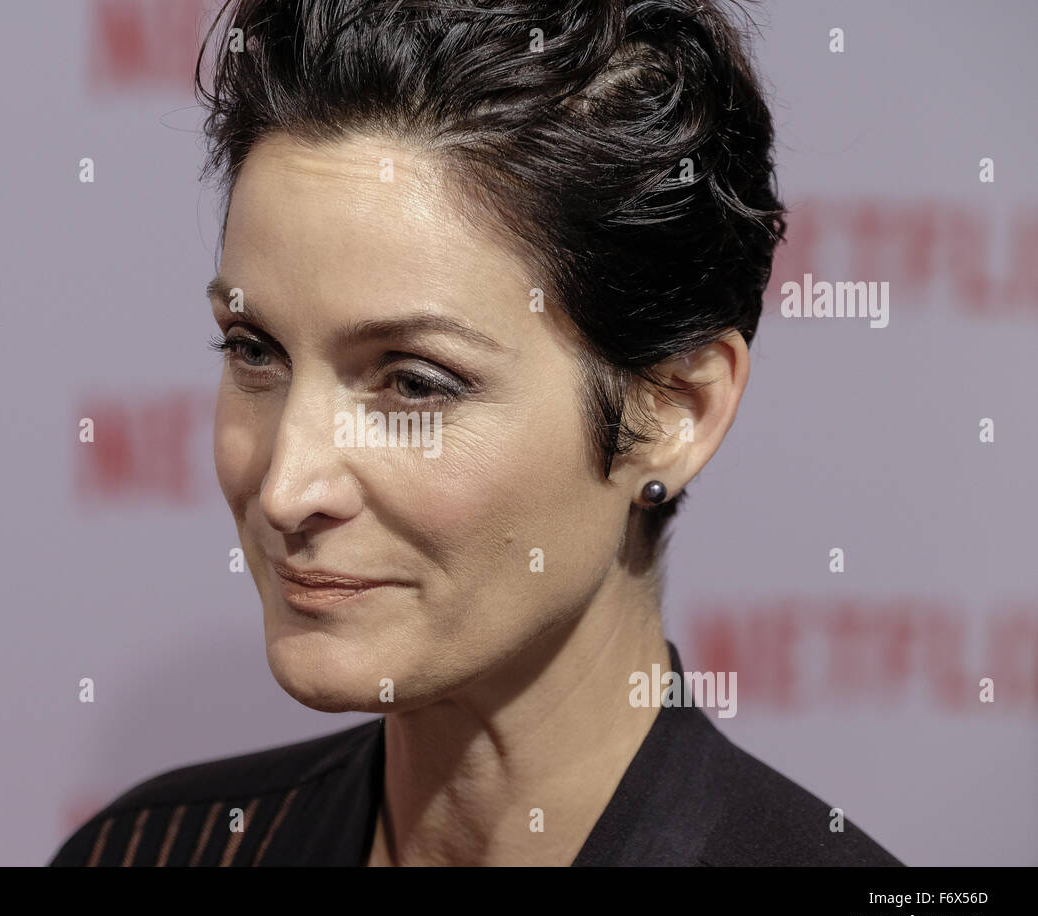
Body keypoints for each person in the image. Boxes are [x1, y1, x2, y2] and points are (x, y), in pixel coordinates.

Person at [51, 0, 901, 867]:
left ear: (672, 410)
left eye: (414, 383)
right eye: (255, 351)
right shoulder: (152, 852)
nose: (286, 487)